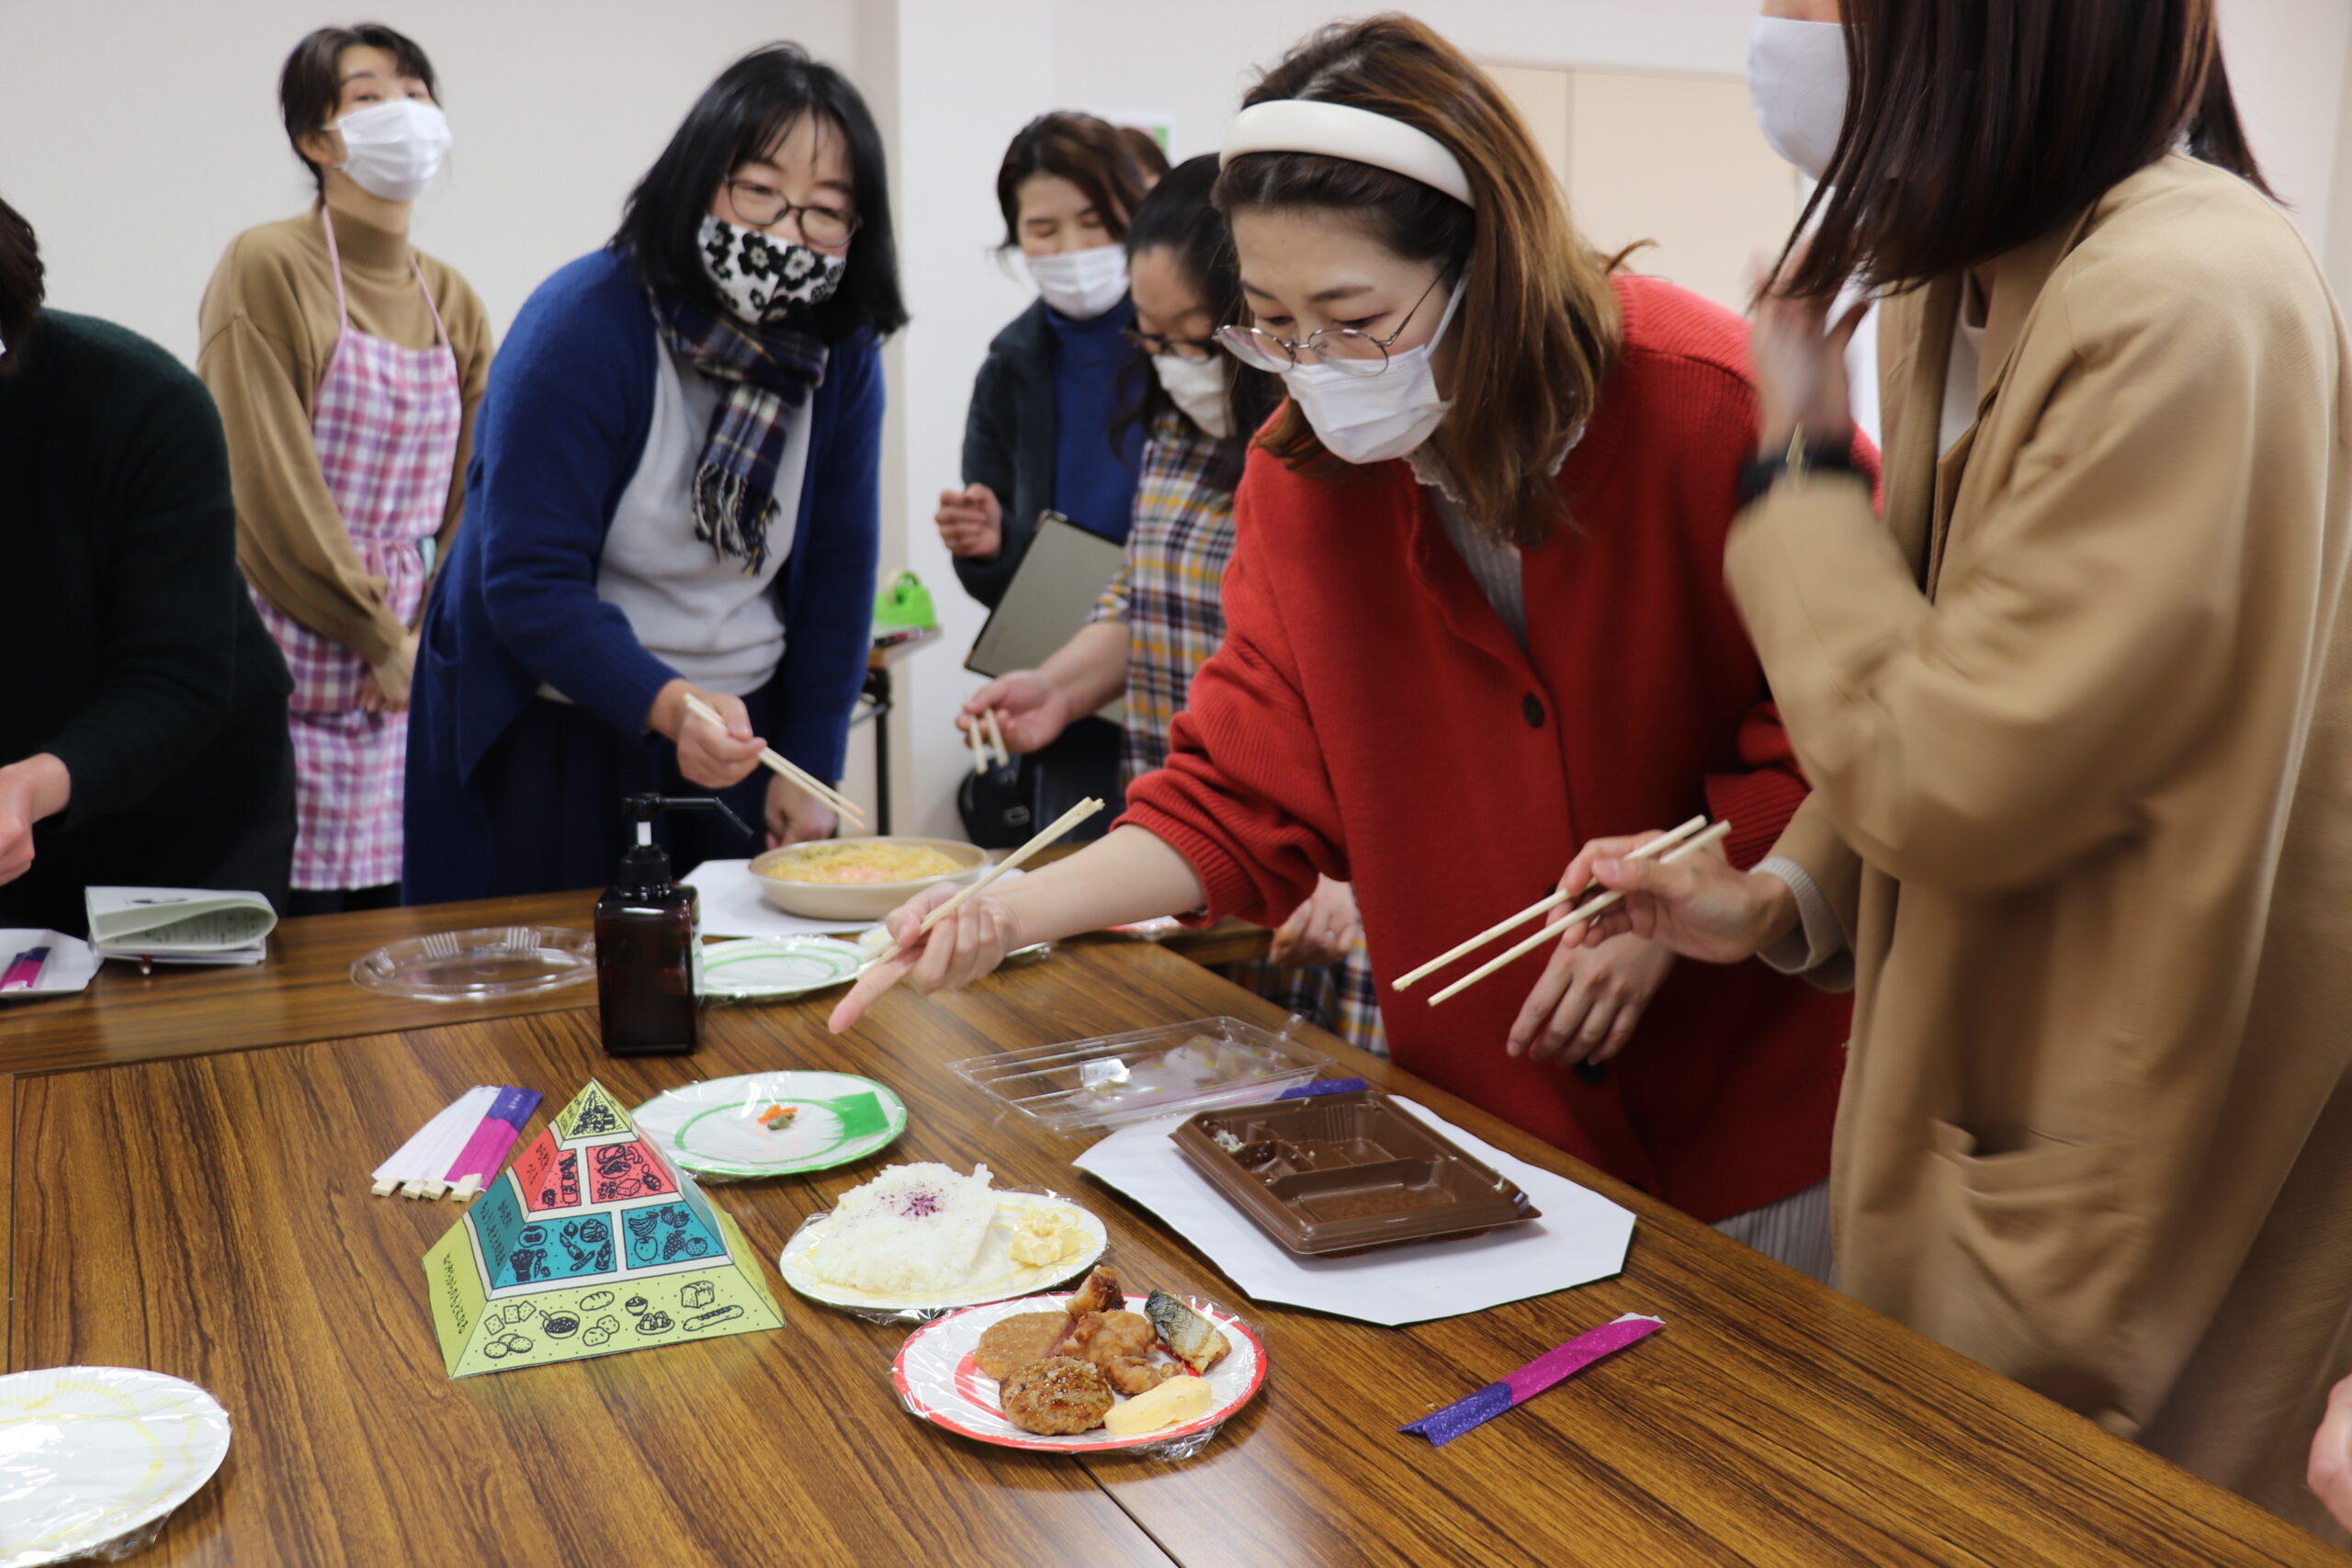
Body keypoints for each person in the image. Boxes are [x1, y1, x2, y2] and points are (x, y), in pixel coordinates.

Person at [838, 17, 1862, 1279]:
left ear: (1488, 260)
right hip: (1491, 1125)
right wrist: (1005, 909)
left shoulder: (1706, 402)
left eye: (1354, 316)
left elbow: (1854, 738)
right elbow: (1239, 792)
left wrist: (1687, 893)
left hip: (1751, 1129)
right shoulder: (1302, 474)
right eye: (1271, 323)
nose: (1314, 367)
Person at [1561, 0, 2352, 1536]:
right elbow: (1953, 655)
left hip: (2136, 1096)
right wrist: (1779, 892)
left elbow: (1955, 766)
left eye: (1809, 4)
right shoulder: (1965, 275)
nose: (1772, 38)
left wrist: (1795, 460)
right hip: (1986, 1082)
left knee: (2094, 1504)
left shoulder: (2187, 290)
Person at [403, 44, 904, 901]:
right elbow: (525, 581)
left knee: (739, 984)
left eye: (826, 211)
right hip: (556, 717)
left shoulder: (840, 350)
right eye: (759, 191)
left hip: (743, 724)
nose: (787, 233)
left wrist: (811, 763)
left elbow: (839, 571)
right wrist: (669, 704)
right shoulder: (584, 322)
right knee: (551, 992)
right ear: (697, 178)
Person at [957, 155, 1385, 1055]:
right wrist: (1060, 688)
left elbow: (1384, 696)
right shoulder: (1173, 431)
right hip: (1191, 854)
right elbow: (1145, 598)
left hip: (1324, 887)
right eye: (1149, 339)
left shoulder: (1344, 461)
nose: (1173, 365)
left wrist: (1354, 876)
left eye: (1195, 337)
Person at [198, 24, 489, 918]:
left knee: (409, 936)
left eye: (415, 92)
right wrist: (374, 635)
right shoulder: (268, 265)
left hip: (411, 669)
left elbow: (473, 498)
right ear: (316, 139)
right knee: (287, 946)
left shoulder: (452, 297)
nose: (404, 113)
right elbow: (265, 485)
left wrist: (422, 640)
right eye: (369, 96)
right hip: (293, 651)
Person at [0, 197, 296, 931]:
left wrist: (28, 787)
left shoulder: (140, 404)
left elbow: (175, 679)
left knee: (185, 1044)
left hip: (184, 823)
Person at [934, 112, 1151, 604]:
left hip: (1189, 628)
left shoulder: (1190, 343)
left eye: (1093, 222)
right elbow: (1008, 578)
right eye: (1043, 229)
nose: (1071, 249)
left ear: (1134, 213)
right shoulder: (1007, 370)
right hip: (1066, 637)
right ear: (1016, 235)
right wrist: (991, 545)